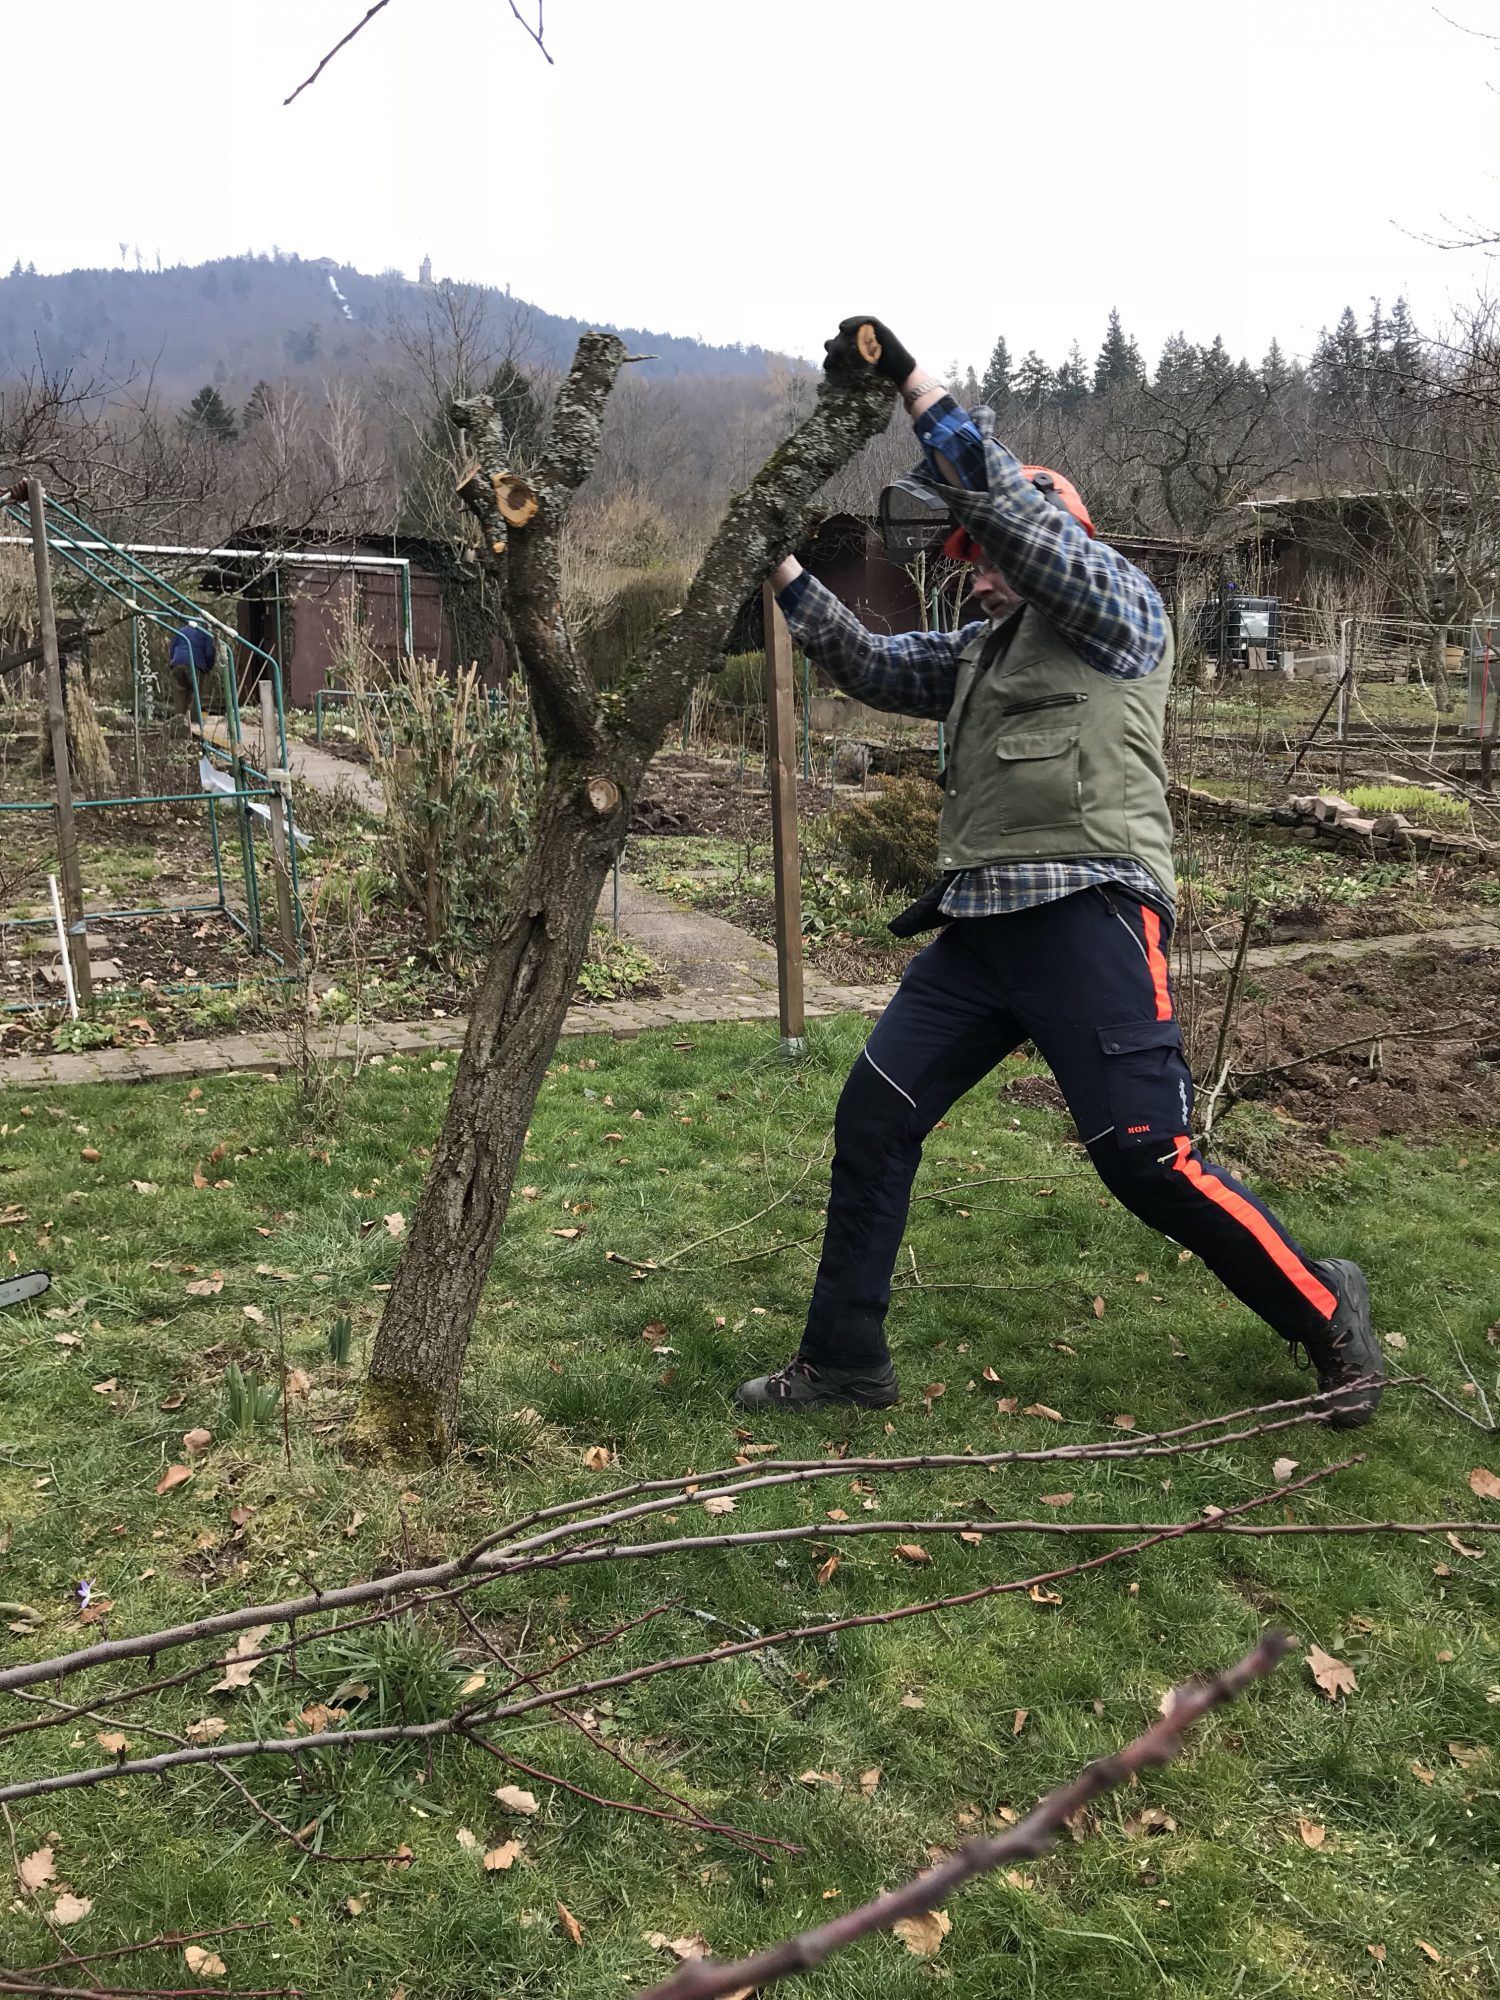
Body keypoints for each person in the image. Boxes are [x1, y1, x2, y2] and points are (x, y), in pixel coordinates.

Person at [737, 316, 1384, 1429]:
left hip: (1090, 912)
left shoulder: (1117, 609)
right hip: (982, 928)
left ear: (1052, 542)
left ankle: (1326, 1308)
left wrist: (915, 387)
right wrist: (778, 566)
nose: (975, 572)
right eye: (967, 558)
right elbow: (866, 661)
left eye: (986, 553)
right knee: (875, 1116)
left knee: (1147, 1159)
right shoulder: (977, 653)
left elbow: (1019, 523)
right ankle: (843, 1360)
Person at [167, 618, 217, 721]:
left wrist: (174, 662)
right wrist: (208, 667)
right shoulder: (205, 633)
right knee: (196, 696)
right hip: (195, 665)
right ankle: (194, 723)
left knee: (179, 696)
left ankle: (179, 723)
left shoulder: (181, 631)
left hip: (177, 664)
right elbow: (209, 653)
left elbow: (172, 648)